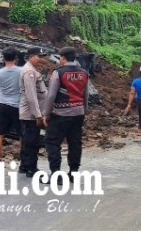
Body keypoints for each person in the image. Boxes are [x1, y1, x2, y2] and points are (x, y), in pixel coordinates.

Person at [42, 46, 89, 183]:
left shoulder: (59, 73)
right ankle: (73, 172)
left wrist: (46, 113)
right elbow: (85, 94)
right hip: (78, 113)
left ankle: (56, 174)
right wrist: (84, 110)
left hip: (61, 114)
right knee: (75, 142)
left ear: (62, 57)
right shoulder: (84, 73)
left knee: (52, 141)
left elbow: (51, 95)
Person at [0, 48, 22, 171]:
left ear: (3, 58)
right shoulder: (22, 71)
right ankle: (25, 161)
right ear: (16, 58)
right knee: (22, 134)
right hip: (18, 106)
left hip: (2, 105)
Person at [18, 47, 48, 177]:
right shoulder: (29, 72)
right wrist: (38, 115)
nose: (41, 59)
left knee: (27, 140)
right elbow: (31, 96)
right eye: (39, 57)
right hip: (31, 114)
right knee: (32, 141)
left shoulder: (31, 70)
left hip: (30, 113)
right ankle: (31, 168)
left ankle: (24, 166)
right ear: (31, 56)